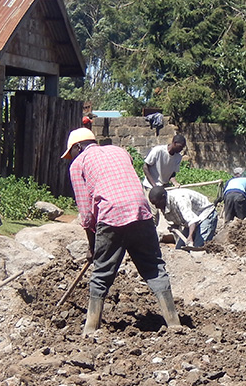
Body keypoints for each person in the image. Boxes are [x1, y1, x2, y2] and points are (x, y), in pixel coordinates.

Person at [62, 127, 181, 335]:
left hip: (111, 216)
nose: (70, 157)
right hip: (141, 212)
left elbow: (86, 211)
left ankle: (90, 327)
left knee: (101, 274)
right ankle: (173, 322)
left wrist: (93, 246)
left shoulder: (78, 164)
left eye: (70, 152)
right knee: (154, 268)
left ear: (78, 147)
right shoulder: (119, 151)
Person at [148, 185, 218, 248]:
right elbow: (177, 218)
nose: (156, 206)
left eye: (156, 203)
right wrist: (174, 227)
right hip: (191, 222)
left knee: (198, 248)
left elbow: (192, 220)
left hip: (205, 215)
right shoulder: (164, 204)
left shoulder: (180, 199)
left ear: (163, 197)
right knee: (179, 249)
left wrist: (190, 237)